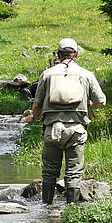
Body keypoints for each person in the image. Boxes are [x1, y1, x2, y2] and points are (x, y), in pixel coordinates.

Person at [27, 38, 106, 204]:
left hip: (52, 129)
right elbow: (101, 102)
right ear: (76, 54)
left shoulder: (47, 74)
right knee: (74, 172)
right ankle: (72, 209)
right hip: (77, 130)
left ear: (58, 54)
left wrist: (33, 118)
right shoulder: (86, 74)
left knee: (49, 172)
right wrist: (88, 103)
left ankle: (46, 208)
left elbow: (37, 104)